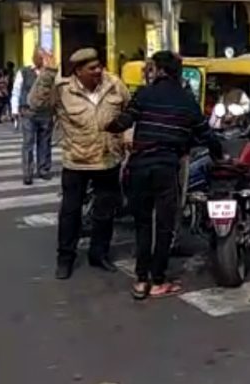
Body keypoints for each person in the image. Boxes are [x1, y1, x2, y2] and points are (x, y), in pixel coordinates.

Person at [107, 51, 222, 300]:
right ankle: (158, 280)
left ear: (158, 70)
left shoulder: (144, 94)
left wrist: (104, 124)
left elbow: (123, 122)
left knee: (143, 224)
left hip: (139, 166)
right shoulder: (186, 100)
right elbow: (206, 134)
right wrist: (219, 155)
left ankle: (140, 281)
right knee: (164, 226)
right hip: (166, 168)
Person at [28, 47, 131, 280]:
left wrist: (127, 135)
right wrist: (48, 72)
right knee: (70, 213)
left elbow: (129, 112)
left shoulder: (114, 84)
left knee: (105, 212)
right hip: (77, 162)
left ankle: (99, 254)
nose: (98, 71)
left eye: (99, 66)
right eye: (91, 68)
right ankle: (65, 259)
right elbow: (35, 103)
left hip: (108, 160)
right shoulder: (63, 90)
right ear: (78, 71)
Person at [13, 50, 54, 185]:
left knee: (45, 142)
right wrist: (14, 110)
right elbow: (16, 91)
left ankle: (43, 169)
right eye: (39, 57)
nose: (41, 59)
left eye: (43, 57)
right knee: (28, 143)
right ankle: (28, 173)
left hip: (46, 113)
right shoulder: (24, 72)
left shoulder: (51, 73)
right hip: (28, 112)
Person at [5, 61, 19, 129]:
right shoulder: (12, 73)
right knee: (11, 103)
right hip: (11, 89)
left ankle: (10, 116)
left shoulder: (9, 73)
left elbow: (8, 82)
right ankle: (11, 116)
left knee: (9, 103)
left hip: (9, 89)